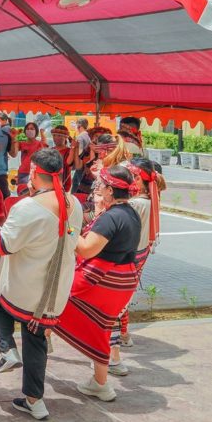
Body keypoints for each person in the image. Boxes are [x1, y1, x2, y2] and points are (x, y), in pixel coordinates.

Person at [0, 147, 83, 421]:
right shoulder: (74, 203)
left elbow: (2, 244)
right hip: (53, 295)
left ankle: (7, 349)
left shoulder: (27, 207)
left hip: (25, 291)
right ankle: (35, 400)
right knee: (36, 340)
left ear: (34, 174)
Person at [53, 164, 142, 402]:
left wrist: (67, 225)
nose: (98, 187)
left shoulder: (112, 217)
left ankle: (41, 345)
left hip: (103, 280)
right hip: (121, 281)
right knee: (100, 328)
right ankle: (100, 383)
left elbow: (86, 249)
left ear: (111, 191)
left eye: (101, 184)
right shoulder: (128, 212)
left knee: (49, 305)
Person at [109, 157, 163, 371]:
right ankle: (123, 335)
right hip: (136, 258)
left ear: (138, 179)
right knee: (123, 300)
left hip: (125, 259)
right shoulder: (151, 200)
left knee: (113, 304)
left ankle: (113, 356)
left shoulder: (135, 204)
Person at [16, 122, 45, 190]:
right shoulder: (22, 143)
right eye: (28, 129)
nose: (29, 130)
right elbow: (14, 150)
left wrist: (42, 133)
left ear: (36, 131)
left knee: (33, 194)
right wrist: (16, 135)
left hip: (35, 173)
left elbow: (44, 145)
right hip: (23, 172)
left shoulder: (38, 144)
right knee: (22, 193)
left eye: (32, 129)